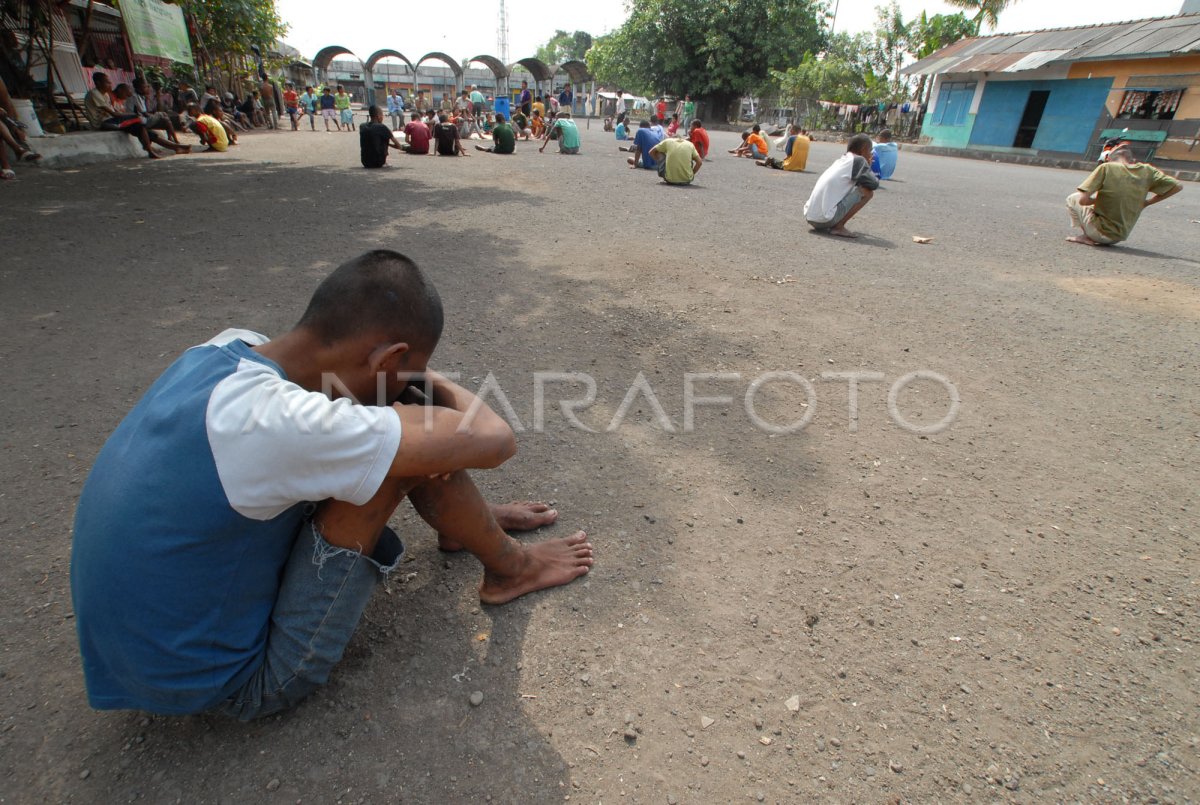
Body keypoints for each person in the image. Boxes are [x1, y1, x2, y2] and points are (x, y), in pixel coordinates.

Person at [70, 250, 594, 720]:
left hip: (143, 658)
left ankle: (462, 525)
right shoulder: (280, 422)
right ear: (387, 357)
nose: (409, 380)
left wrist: (405, 381)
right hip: (230, 682)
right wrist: (417, 383)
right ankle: (511, 569)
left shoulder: (227, 349)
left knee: (404, 432)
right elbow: (493, 439)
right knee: (406, 447)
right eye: (404, 368)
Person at [1065, 144, 1182, 246]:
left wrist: (1099, 199)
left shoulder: (1106, 167)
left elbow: (1083, 201)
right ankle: (1092, 233)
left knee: (1073, 198)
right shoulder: (1147, 170)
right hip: (1118, 237)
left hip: (1098, 234)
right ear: (1133, 160)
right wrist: (1146, 203)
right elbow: (1177, 186)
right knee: (1095, 207)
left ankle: (1086, 236)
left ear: (1109, 159)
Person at [84, 74, 189, 159]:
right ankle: (150, 148)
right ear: (98, 83)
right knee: (138, 119)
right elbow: (114, 114)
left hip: (113, 120)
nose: (110, 84)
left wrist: (130, 116)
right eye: (107, 82)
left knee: (140, 127)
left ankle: (172, 147)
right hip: (103, 123)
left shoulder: (105, 94)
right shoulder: (95, 93)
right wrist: (132, 115)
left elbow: (115, 111)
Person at [803, 134, 879, 238]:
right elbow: (873, 184)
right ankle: (838, 227)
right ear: (863, 149)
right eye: (870, 150)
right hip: (825, 219)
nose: (870, 154)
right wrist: (868, 167)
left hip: (810, 217)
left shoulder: (842, 160)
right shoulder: (859, 160)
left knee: (857, 188)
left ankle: (835, 222)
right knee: (867, 192)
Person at [131, 77, 181, 144]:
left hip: (144, 118)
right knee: (163, 116)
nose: (147, 89)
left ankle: (174, 139)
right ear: (139, 88)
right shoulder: (135, 97)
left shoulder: (142, 96)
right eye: (145, 87)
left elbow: (147, 111)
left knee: (166, 119)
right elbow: (144, 113)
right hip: (140, 120)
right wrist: (155, 115)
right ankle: (174, 140)